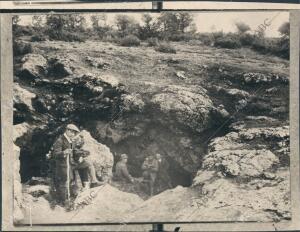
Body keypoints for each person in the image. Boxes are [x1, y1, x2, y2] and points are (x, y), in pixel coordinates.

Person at [51, 124, 100, 206]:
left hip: (72, 163)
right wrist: (63, 152)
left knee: (86, 164)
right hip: (63, 165)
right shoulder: (60, 141)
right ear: (67, 130)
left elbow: (73, 151)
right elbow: (55, 154)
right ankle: (64, 200)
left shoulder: (71, 141)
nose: (73, 134)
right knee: (66, 180)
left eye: (74, 133)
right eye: (72, 132)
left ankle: (88, 185)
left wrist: (81, 153)